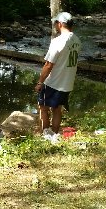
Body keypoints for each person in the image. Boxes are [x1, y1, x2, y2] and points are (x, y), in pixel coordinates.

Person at [35, 12, 81, 140]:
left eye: (56, 23)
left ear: (60, 24)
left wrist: (40, 82)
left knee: (43, 108)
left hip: (53, 82)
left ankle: (46, 134)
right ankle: (54, 135)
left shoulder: (58, 41)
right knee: (57, 109)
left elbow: (48, 65)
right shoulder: (77, 40)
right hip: (67, 83)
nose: (55, 25)